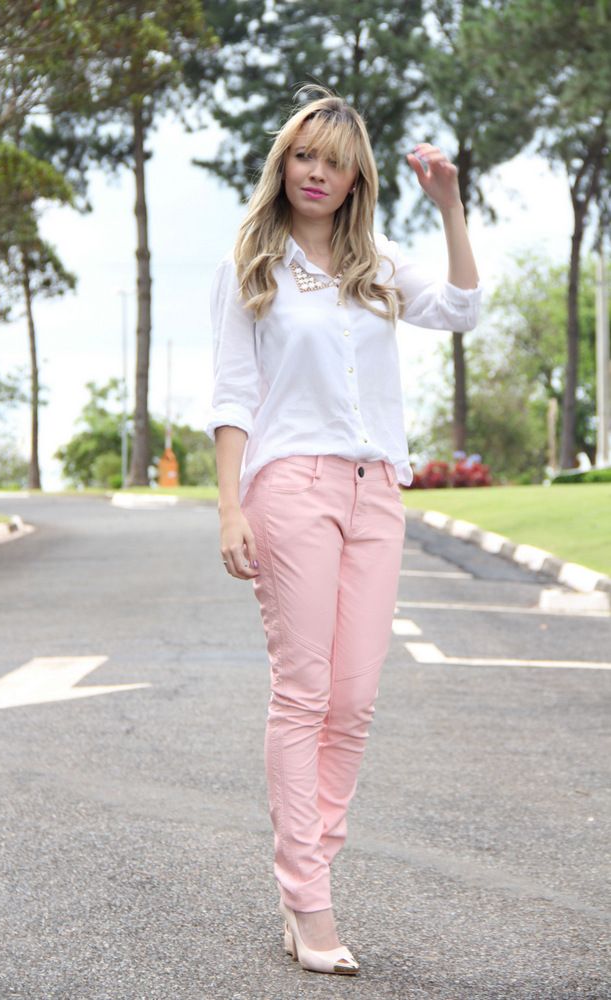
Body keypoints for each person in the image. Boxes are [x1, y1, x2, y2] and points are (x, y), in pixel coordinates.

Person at [205, 87, 481, 976]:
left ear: (356, 177)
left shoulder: (377, 264)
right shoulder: (251, 263)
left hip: (376, 493)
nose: (315, 173)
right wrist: (229, 505)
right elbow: (232, 393)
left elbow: (462, 309)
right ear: (282, 163)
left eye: (333, 161)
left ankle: (307, 876)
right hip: (292, 486)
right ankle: (308, 899)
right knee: (304, 693)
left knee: (353, 702)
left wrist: (449, 206)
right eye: (302, 155)